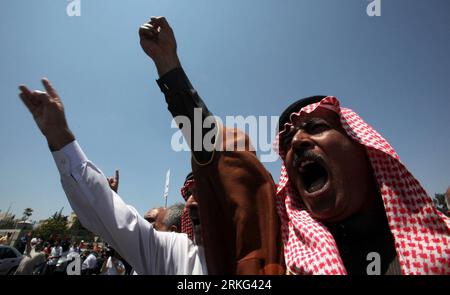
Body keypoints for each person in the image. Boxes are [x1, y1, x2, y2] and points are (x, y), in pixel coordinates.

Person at [140, 17, 450, 275]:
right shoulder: (281, 255)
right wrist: (170, 67)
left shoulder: (441, 245)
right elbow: (219, 154)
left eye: (315, 127)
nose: (298, 141)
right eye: (286, 141)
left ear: (363, 146)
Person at [139, 16, 285, 275]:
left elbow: (207, 140)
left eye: (234, 159)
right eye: (193, 194)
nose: (194, 203)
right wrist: (166, 62)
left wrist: (169, 65)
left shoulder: (289, 243)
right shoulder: (189, 259)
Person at [18, 79, 207, 275]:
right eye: (190, 194)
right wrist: (58, 134)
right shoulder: (176, 254)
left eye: (204, 194)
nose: (191, 204)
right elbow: (110, 215)